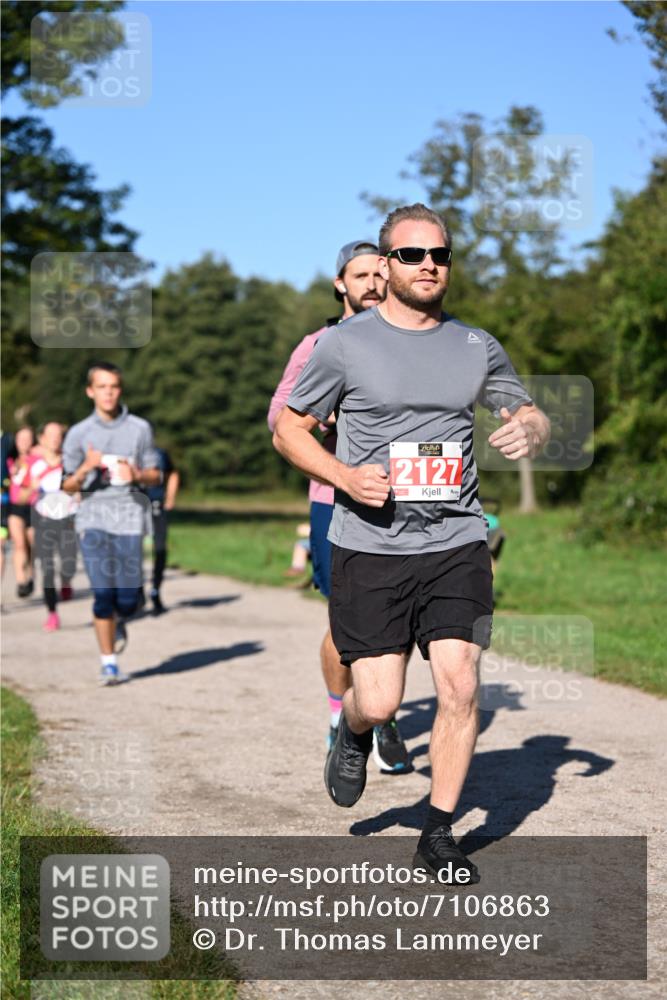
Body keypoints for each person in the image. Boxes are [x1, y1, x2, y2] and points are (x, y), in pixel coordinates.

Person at [274, 204, 550, 882]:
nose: (428, 264)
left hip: (456, 540)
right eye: (411, 255)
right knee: (381, 698)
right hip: (370, 544)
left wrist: (531, 428)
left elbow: (524, 408)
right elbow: (289, 428)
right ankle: (355, 730)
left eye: (440, 255)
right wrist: (343, 476)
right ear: (386, 265)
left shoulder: (474, 345)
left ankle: (438, 832)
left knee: (458, 683)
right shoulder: (343, 345)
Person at [269, 240, 411, 774]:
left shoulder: (412, 340)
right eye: (361, 275)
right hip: (336, 499)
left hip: (404, 500)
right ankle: (342, 715)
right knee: (348, 617)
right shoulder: (318, 344)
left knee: (399, 616)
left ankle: (382, 709)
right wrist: (324, 420)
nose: (373, 283)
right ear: (340, 284)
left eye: (381, 273)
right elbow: (279, 418)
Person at [62, 362, 161, 685]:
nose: (108, 392)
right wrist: (85, 469)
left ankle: (121, 619)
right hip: (92, 520)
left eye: (114, 386)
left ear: (120, 389)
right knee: (102, 594)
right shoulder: (78, 433)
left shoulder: (139, 428)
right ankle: (109, 662)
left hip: (130, 517)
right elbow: (66, 485)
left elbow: (156, 473)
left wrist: (137, 474)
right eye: (102, 386)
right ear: (90, 391)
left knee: (129, 600)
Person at [24, 422, 78, 631]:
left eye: (59, 435)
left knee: (68, 562)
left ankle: (66, 581)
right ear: (42, 439)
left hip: (68, 518)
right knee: (47, 568)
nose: (55, 439)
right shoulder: (33, 464)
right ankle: (52, 613)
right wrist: (32, 489)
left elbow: (80, 485)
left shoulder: (70, 461)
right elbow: (21, 494)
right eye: (51, 435)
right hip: (44, 519)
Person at [144, 445, 179, 615]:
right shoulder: (127, 451)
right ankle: (135, 590)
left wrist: (170, 497)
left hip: (157, 505)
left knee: (160, 549)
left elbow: (173, 473)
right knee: (132, 550)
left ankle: (155, 589)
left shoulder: (159, 453)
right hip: (134, 508)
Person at [7, 426, 37, 597]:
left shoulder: (37, 460)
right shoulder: (10, 460)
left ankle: (31, 575)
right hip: (15, 507)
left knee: (31, 545)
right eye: (21, 439)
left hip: (33, 507)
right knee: (19, 544)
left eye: (27, 439)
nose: (24, 443)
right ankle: (21, 581)